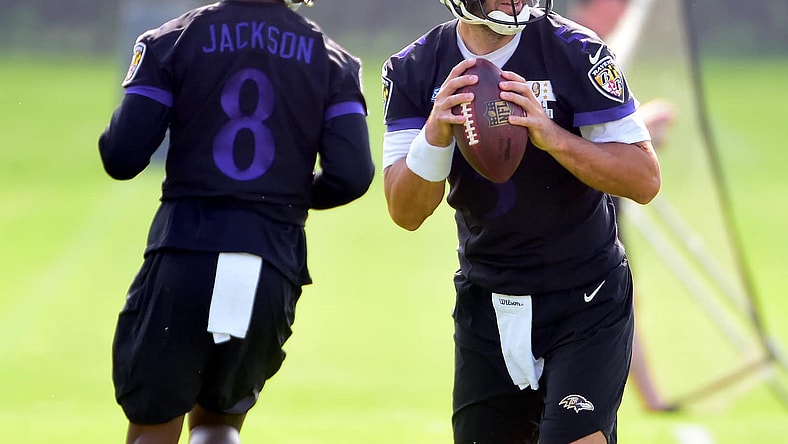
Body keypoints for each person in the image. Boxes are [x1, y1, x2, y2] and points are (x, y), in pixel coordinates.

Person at [381, 0, 660, 443]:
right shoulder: (414, 67)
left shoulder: (577, 51)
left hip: (584, 295)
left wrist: (553, 138)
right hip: (487, 298)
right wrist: (434, 135)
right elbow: (405, 211)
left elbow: (644, 179)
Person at [98, 0, 374, 443]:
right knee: (219, 425)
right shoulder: (332, 59)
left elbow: (123, 155)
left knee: (154, 425)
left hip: (186, 250)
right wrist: (277, 200)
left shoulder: (172, 40)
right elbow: (353, 174)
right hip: (270, 259)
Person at [568, 0, 677, 413]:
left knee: (623, 295)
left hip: (609, 192)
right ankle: (643, 398)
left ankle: (651, 397)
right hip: (587, 197)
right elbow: (582, 129)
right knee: (610, 296)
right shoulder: (578, 47)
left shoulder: (607, 46)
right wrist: (646, 124)